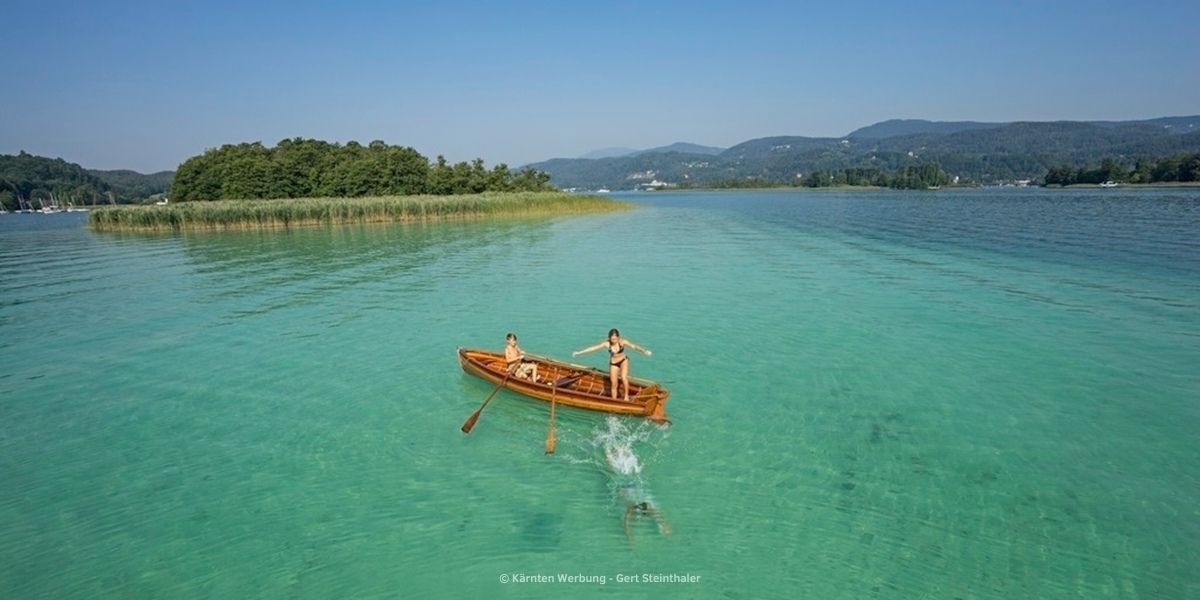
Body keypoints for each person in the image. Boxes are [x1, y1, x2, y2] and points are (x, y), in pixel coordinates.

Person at [605, 442, 671, 544]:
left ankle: (612, 448)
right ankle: (614, 447)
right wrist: (629, 536)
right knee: (622, 463)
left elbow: (628, 520)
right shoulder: (637, 506)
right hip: (631, 481)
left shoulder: (635, 506)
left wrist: (629, 536)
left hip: (627, 482)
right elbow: (628, 519)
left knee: (617, 463)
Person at [572, 328, 651, 402]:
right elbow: (593, 348)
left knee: (623, 377)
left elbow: (634, 346)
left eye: (615, 339)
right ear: (609, 338)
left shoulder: (622, 341)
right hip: (613, 363)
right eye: (612, 339)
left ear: (618, 337)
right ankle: (614, 400)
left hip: (623, 360)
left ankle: (626, 396)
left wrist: (644, 351)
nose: (614, 341)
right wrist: (579, 353)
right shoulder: (606, 344)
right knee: (614, 383)